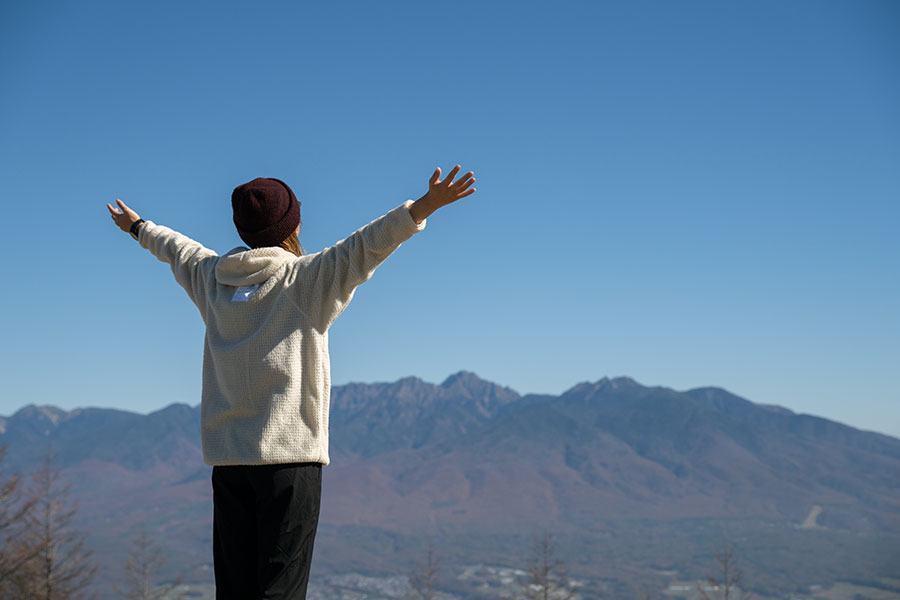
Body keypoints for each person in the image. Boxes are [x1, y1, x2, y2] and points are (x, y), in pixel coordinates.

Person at [106, 165, 476, 599]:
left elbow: (177, 249)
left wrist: (138, 227)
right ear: (293, 225)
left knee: (236, 589)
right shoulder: (305, 281)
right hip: (289, 463)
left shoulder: (213, 279)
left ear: (241, 228)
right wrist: (427, 203)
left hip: (229, 463)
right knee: (280, 590)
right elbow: (368, 245)